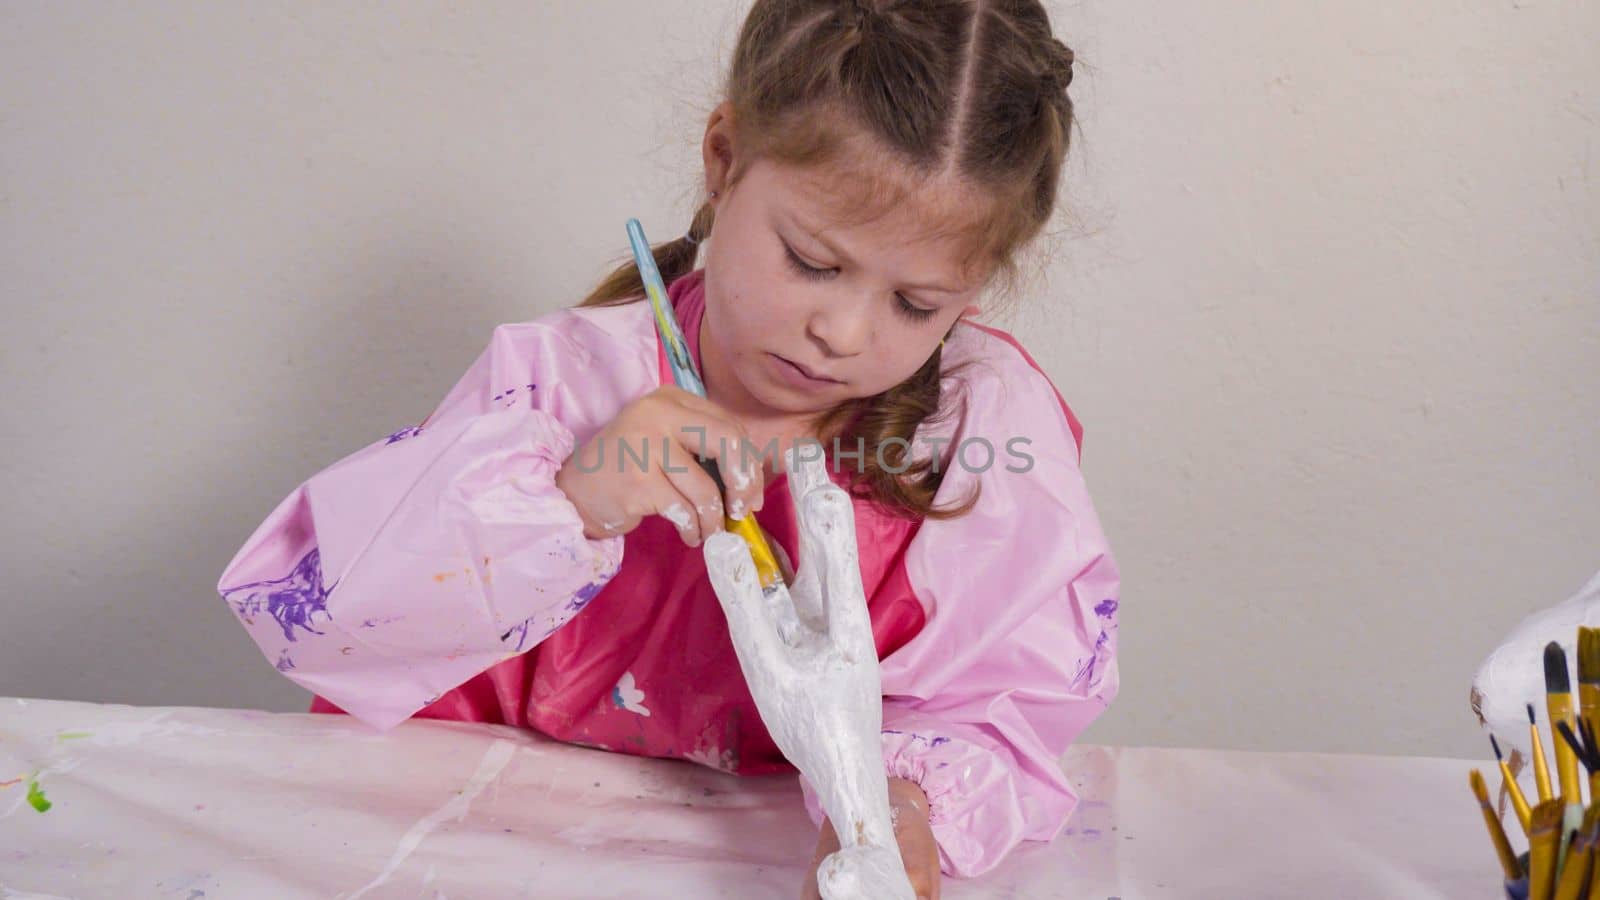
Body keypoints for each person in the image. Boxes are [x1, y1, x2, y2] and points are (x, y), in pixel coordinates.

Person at [218, 1, 1120, 894]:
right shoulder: (558, 379)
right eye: (812, 260)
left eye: (916, 304)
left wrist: (903, 809)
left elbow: (1007, 697)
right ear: (724, 161)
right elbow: (328, 623)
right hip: (480, 845)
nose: (841, 333)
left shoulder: (980, 429)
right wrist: (570, 500)